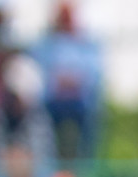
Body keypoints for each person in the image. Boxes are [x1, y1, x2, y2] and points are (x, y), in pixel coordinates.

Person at [31, 2, 104, 162]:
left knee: (93, 117)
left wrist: (73, 80)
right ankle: (51, 167)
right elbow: (42, 67)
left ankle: (86, 168)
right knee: (40, 127)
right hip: (53, 102)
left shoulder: (86, 42)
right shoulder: (47, 42)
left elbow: (93, 74)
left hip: (80, 102)